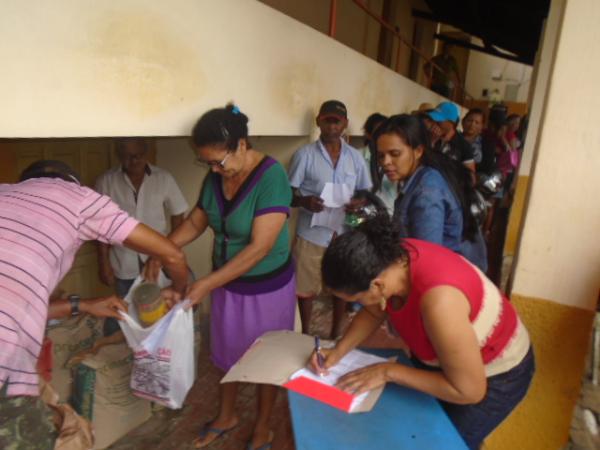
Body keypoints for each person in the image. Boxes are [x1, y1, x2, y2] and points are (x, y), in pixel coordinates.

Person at [0, 160, 189, 449]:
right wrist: (180, 295)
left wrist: (84, 305)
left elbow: (18, 304)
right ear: (73, 183)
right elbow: (172, 256)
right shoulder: (79, 198)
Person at [315, 215, 535, 450]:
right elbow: (373, 312)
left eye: (356, 299)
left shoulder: (440, 304)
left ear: (377, 285)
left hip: (495, 374)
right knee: (418, 426)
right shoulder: (390, 261)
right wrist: (338, 352)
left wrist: (387, 371)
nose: (359, 304)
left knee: (442, 440)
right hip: (446, 358)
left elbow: (468, 391)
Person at [146, 104, 295, 450]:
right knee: (227, 355)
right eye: (208, 163)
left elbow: (259, 248)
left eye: (219, 161)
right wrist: (163, 249)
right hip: (228, 285)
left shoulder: (272, 178)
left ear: (242, 145)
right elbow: (198, 221)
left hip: (267, 289)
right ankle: (227, 415)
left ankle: (263, 426)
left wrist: (206, 284)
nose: (214, 169)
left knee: (264, 361)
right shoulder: (216, 177)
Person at [288, 100, 372, 338]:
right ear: (319, 122)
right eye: (328, 120)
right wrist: (305, 202)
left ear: (345, 124)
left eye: (338, 121)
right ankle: (305, 334)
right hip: (311, 233)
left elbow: (366, 193)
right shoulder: (304, 155)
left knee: (341, 287)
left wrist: (359, 203)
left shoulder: (355, 158)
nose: (333, 125)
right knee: (306, 288)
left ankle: (335, 334)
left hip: (344, 233)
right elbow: (287, 193)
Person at [95, 138, 189, 335]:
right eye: (128, 156)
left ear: (146, 154)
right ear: (119, 156)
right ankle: (126, 351)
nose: (134, 161)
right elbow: (98, 225)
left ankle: (155, 350)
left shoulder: (163, 178)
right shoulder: (106, 181)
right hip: (123, 259)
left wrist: (172, 250)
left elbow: (178, 213)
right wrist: (103, 262)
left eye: (138, 155)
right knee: (124, 311)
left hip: (158, 262)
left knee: (159, 310)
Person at [375, 114, 487, 271]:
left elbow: (427, 261)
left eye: (395, 154)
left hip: (445, 279)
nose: (385, 162)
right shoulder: (424, 176)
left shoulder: (426, 192)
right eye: (381, 156)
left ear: (418, 151)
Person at [360, 113, 397, 215]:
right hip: (362, 218)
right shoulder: (357, 157)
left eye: (385, 131)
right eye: (378, 132)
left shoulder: (395, 158)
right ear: (368, 134)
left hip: (389, 217)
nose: (382, 136)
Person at [425, 102, 476, 175]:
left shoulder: (463, 146)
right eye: (434, 119)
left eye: (439, 120)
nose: (435, 123)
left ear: (451, 122)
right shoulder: (429, 136)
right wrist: (432, 141)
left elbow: (470, 177)